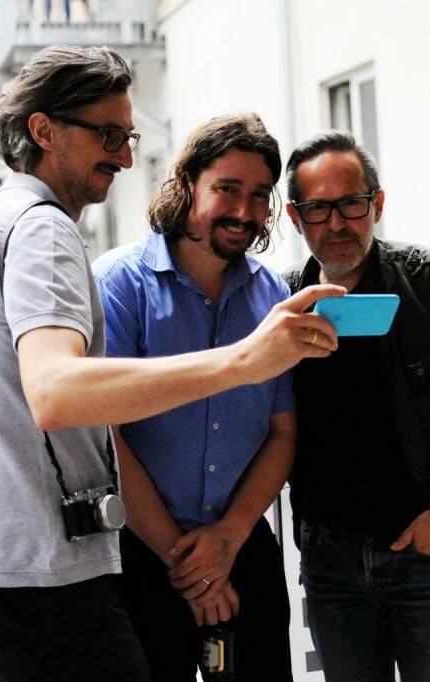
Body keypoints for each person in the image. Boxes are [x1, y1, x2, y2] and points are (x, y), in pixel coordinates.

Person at [0, 45, 342, 682]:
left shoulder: (2, 223)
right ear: (44, 131)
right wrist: (240, 361)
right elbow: (57, 392)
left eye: (129, 136)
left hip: (12, 563)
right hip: (42, 568)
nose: (123, 155)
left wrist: (226, 540)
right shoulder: (43, 231)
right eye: (109, 135)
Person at [282, 131, 430, 682]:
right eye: (318, 209)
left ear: (378, 204)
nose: (337, 223)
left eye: (352, 203)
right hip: (331, 562)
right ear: (296, 218)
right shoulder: (281, 305)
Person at [94, 113, 294, 681]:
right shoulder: (118, 283)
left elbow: (283, 432)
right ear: (186, 184)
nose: (246, 211)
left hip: (243, 543)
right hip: (141, 551)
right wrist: (189, 567)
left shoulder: (273, 293)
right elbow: (105, 439)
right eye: (227, 189)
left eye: (260, 195)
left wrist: (227, 542)